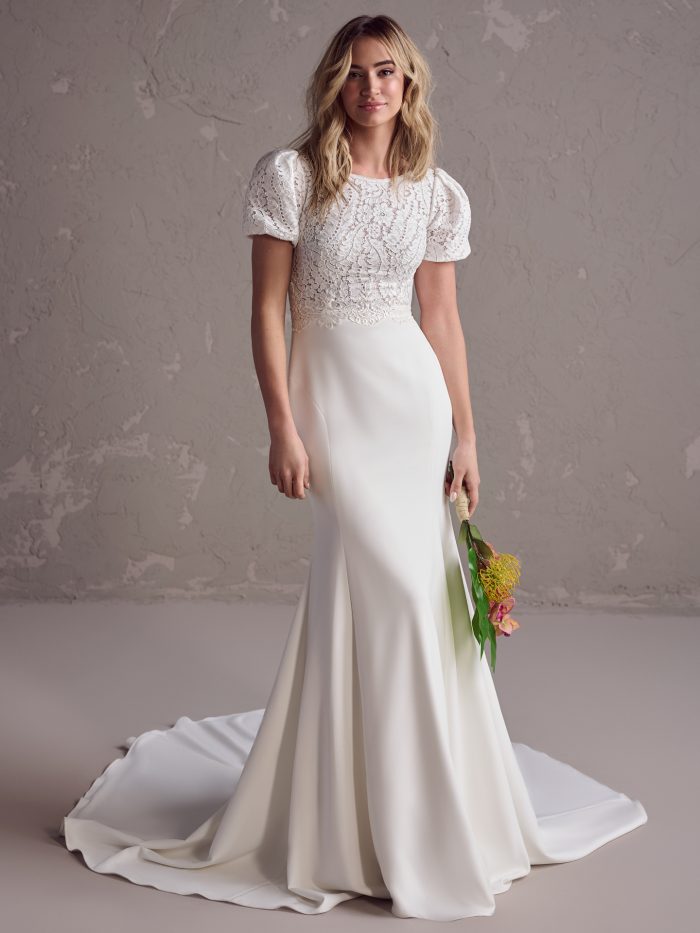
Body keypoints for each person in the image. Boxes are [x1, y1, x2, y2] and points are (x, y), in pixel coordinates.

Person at [59, 14, 647, 921]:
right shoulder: (289, 177)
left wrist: (468, 433)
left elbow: (442, 319)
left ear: (410, 85)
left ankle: (419, 818)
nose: (374, 88)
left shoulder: (433, 191)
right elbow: (266, 312)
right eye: (357, 73)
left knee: (418, 598)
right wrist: (281, 426)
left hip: (411, 405)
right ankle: (356, 822)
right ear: (335, 83)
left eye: (390, 73)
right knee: (379, 590)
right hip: (332, 405)